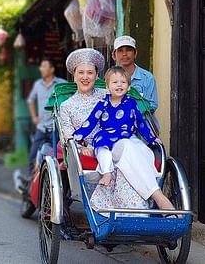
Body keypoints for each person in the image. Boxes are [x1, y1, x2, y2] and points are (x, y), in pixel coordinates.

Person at [59, 48, 175, 215]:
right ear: (74, 75)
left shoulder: (108, 93)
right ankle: (158, 197)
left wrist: (151, 137)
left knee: (132, 147)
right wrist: (81, 146)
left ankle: (144, 206)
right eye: (81, 73)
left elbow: (136, 117)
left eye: (90, 73)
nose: (85, 77)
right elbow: (71, 136)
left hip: (121, 142)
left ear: (96, 76)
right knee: (129, 148)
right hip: (95, 148)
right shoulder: (67, 106)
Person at [73, 66, 160, 187]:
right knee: (102, 149)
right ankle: (107, 172)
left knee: (142, 148)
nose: (119, 85)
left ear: (129, 87)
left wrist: (152, 138)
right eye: (115, 82)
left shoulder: (131, 103)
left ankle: (150, 174)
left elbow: (140, 122)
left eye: (123, 82)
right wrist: (78, 136)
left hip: (126, 136)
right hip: (106, 135)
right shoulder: (102, 104)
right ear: (107, 87)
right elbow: (91, 121)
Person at [27, 58, 66, 174]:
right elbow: (30, 100)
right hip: (41, 127)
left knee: (59, 157)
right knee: (33, 155)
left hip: (56, 128)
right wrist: (34, 116)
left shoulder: (61, 84)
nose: (41, 69)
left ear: (52, 69)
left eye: (44, 66)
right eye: (41, 66)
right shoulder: (37, 84)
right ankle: (30, 183)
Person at [112, 35, 158, 110]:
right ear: (113, 55)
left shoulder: (147, 77)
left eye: (129, 50)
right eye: (120, 50)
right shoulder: (109, 78)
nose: (124, 54)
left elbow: (152, 105)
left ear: (135, 54)